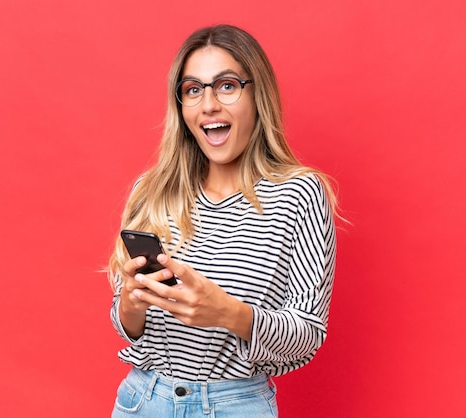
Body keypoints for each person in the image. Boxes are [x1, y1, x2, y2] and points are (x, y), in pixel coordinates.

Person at [108, 24, 339, 417]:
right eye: (193, 89)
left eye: (227, 85)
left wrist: (228, 313)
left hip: (236, 405)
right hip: (142, 401)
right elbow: (124, 322)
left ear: (257, 95)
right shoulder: (151, 190)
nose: (209, 104)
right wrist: (130, 302)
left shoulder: (299, 195)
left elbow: (307, 335)